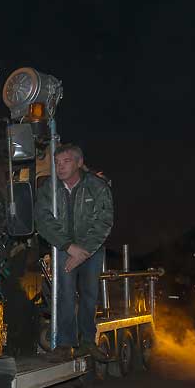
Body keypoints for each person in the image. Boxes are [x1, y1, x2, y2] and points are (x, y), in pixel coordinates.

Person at [35, 143, 113, 362]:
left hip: (92, 249)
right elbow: (43, 219)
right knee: (64, 294)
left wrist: (84, 251)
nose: (60, 167)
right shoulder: (50, 187)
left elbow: (104, 221)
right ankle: (64, 344)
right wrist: (69, 247)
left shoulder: (97, 186)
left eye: (66, 161)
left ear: (79, 163)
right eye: (57, 162)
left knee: (89, 294)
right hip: (64, 248)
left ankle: (88, 341)